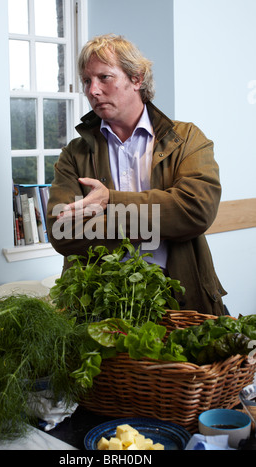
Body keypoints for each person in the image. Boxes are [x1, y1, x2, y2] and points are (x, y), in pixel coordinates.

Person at [47, 33, 227, 315]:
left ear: (137, 79)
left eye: (104, 77)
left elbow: (195, 211)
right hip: (102, 309)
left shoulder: (187, 138)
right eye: (86, 80)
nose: (92, 90)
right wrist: (161, 220)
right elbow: (61, 231)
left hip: (180, 303)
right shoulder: (74, 154)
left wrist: (108, 202)